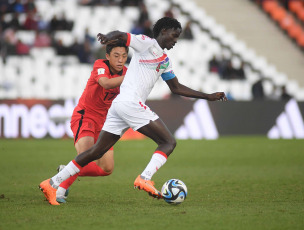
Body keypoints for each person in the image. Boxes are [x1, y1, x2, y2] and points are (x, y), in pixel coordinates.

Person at [39, 17, 227, 205]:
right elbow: (123, 36)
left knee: (97, 152)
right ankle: (145, 178)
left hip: (118, 106)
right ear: (164, 31)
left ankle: (52, 183)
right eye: (174, 35)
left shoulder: (165, 61)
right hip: (130, 104)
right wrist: (108, 37)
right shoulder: (146, 44)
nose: (175, 40)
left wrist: (208, 96)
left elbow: (176, 88)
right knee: (168, 142)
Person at [56, 41, 128, 203]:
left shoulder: (125, 73)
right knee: (86, 157)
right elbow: (105, 83)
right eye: (116, 56)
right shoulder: (99, 65)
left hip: (105, 123)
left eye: (123, 56)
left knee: (107, 168)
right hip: (86, 116)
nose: (120, 60)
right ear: (108, 56)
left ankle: (65, 170)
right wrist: (130, 77)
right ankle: (59, 190)